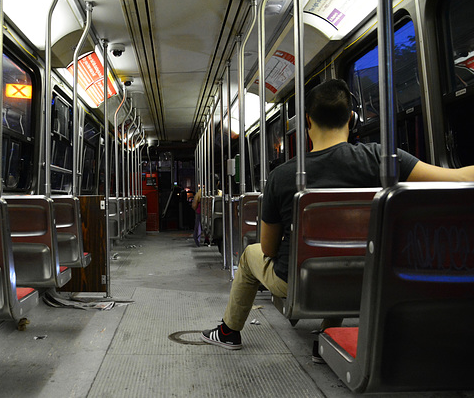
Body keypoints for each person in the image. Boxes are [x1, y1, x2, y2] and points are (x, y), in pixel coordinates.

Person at [201, 78, 474, 351]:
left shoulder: (282, 176)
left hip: (301, 282)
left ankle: (228, 332)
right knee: (348, 253)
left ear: (307, 121)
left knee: (251, 254)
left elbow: (270, 248)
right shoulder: (384, 160)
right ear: (352, 119)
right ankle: (328, 333)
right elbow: (456, 177)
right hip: (373, 277)